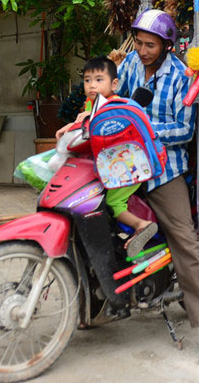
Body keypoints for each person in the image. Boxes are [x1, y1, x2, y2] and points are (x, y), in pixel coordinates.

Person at [116, 9, 199, 364]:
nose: (142, 50)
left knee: (184, 239)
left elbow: (185, 130)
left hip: (164, 171)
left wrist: (144, 130)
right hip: (123, 162)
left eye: (150, 45)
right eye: (139, 42)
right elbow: (115, 100)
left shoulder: (181, 76)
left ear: (166, 46)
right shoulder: (130, 65)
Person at [55, 57, 157, 256]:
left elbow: (91, 123)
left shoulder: (113, 106)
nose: (92, 85)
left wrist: (76, 123)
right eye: (87, 80)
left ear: (114, 84)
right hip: (110, 165)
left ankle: (142, 225)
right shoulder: (91, 105)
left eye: (99, 80)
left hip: (128, 167)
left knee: (112, 202)